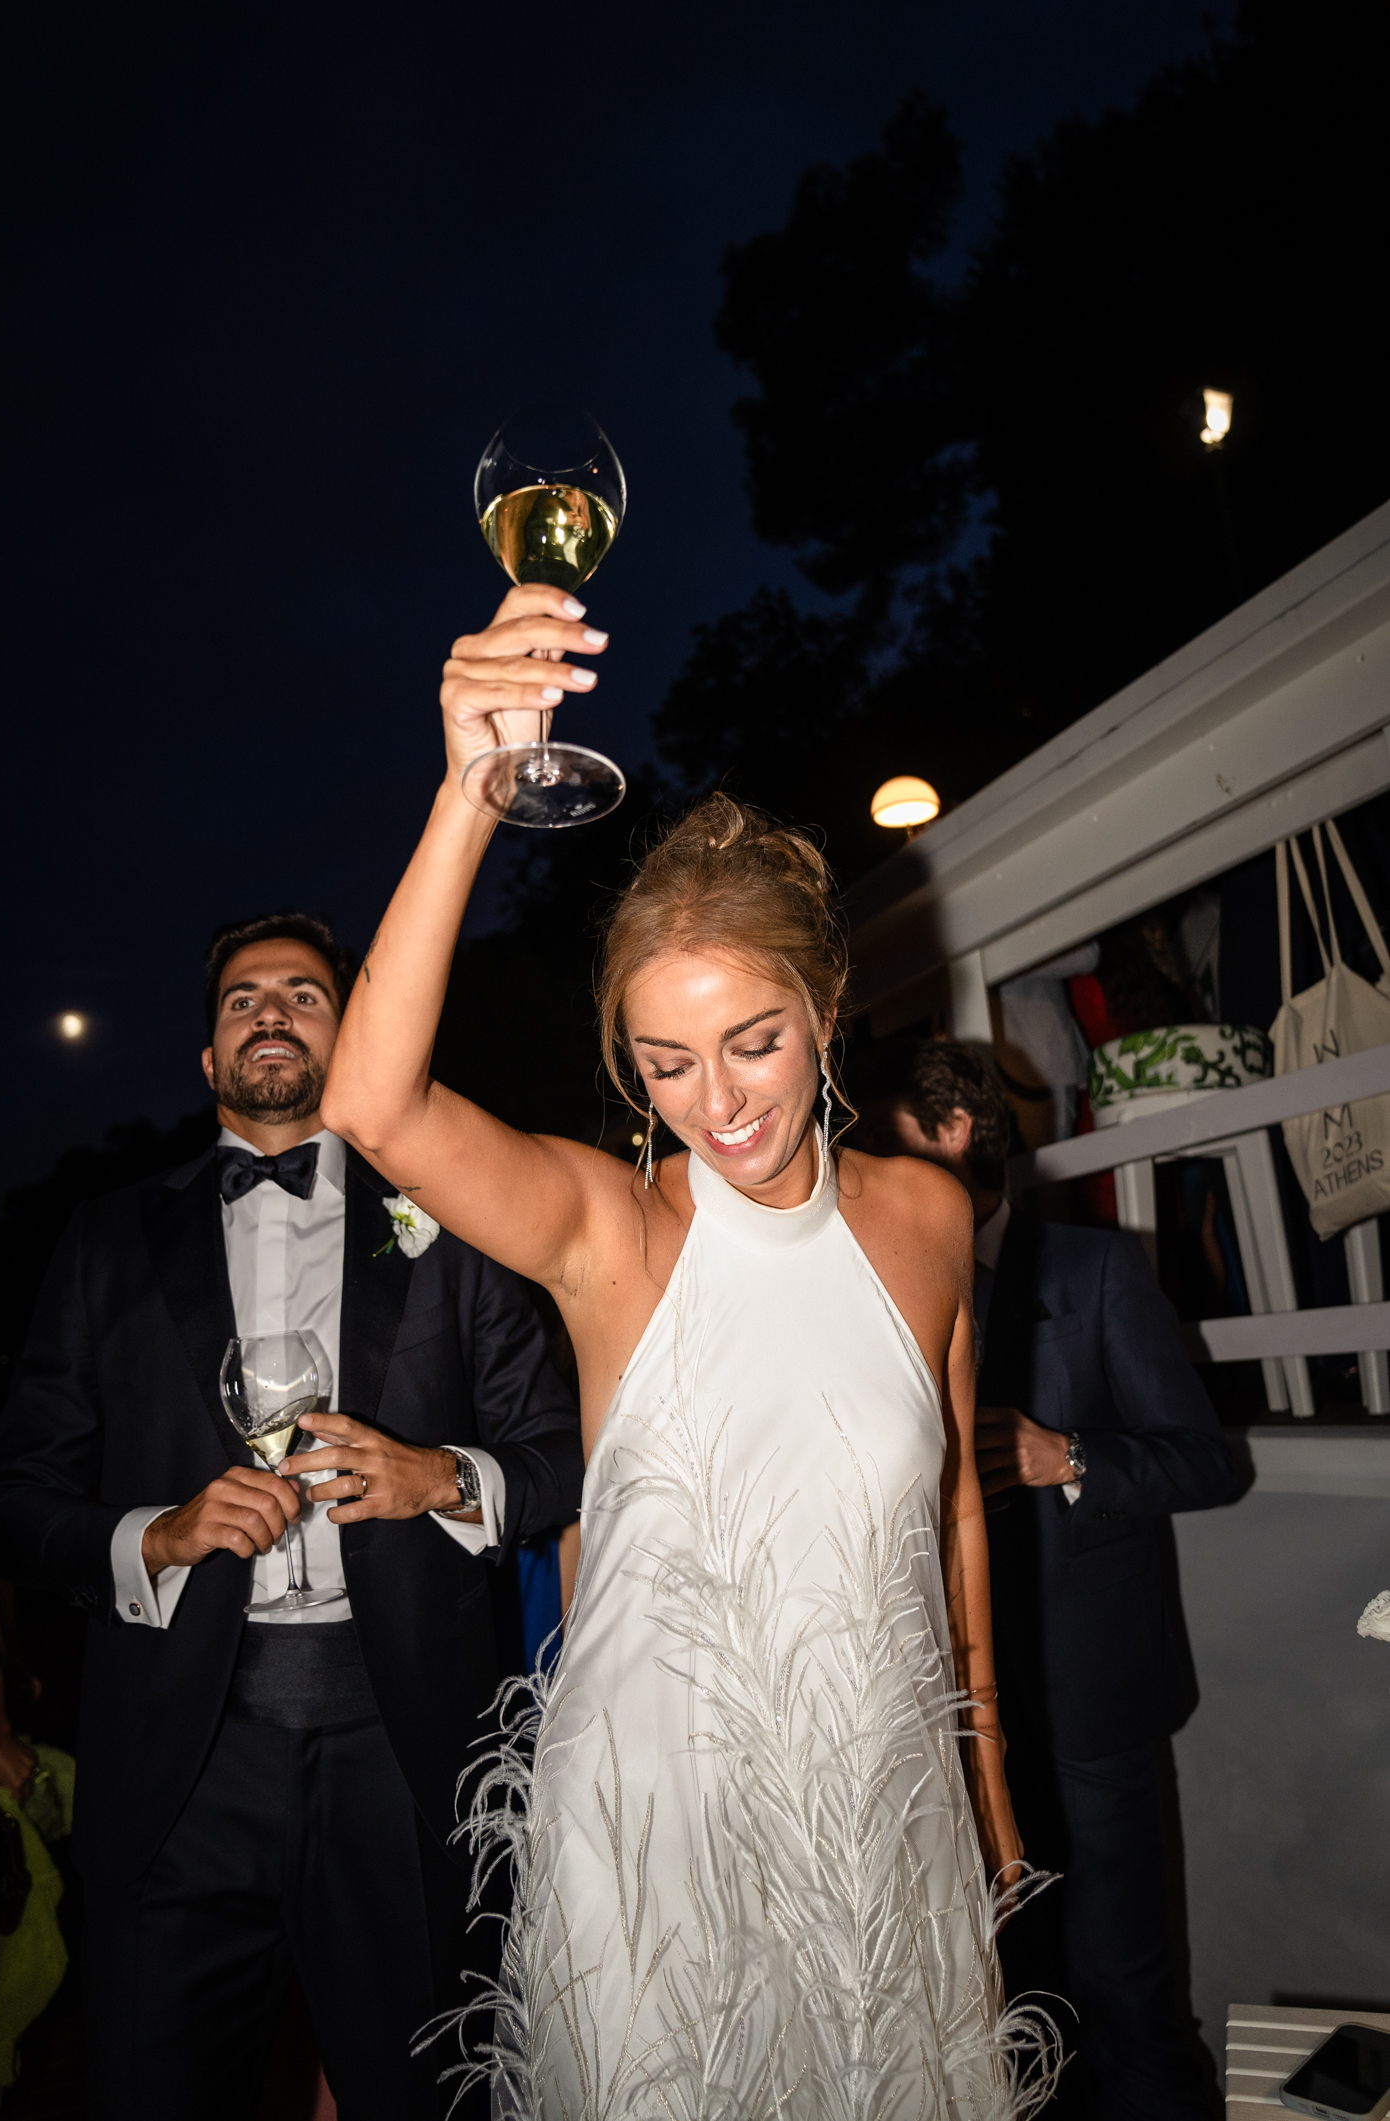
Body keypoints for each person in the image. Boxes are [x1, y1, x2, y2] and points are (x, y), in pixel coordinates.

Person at [313, 582, 1059, 2121]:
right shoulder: (614, 1234)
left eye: (752, 1042)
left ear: (828, 1006)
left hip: (882, 1818)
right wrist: (472, 789)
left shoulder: (925, 1218)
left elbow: (952, 1515)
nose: (714, 1103)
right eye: (664, 1063)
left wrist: (982, 1799)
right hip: (657, 1838)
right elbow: (372, 1103)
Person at [0, 909, 584, 2121]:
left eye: (305, 994)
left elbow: (568, 1452)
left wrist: (441, 1479)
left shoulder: (451, 1219)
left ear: (350, 1031)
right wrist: (156, 1536)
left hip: (404, 1752)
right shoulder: (106, 1240)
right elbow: (15, 1505)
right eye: (244, 998)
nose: (272, 1011)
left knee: (425, 2096)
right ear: (208, 1059)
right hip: (179, 1770)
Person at [855, 1039, 1238, 2121]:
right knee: (1011, 2004)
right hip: (948, 1715)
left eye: (881, 1139)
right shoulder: (876, 1293)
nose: (863, 1170)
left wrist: (1062, 1455)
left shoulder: (1095, 1269)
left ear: (950, 1132)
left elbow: (1211, 1460)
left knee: (1128, 1991)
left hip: (1090, 1702)